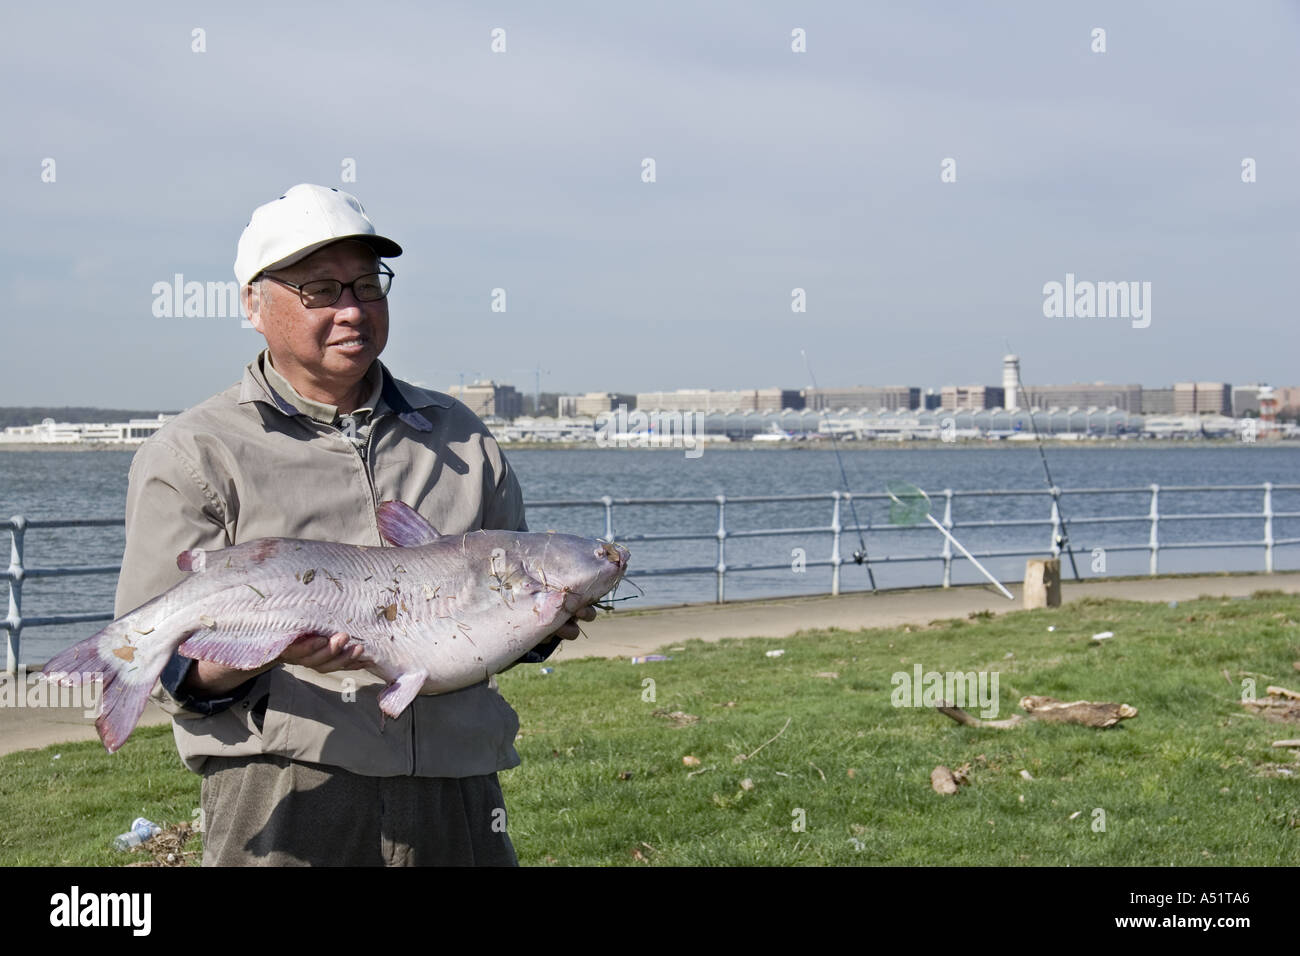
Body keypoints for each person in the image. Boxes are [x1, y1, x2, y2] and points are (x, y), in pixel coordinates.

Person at [115, 183, 593, 866]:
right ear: (253, 303)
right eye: (320, 290)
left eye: (368, 285)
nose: (352, 309)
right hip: (286, 795)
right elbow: (169, 670)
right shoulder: (194, 455)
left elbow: (502, 624)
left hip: (455, 790)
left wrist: (546, 624)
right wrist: (266, 651)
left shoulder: (460, 437)